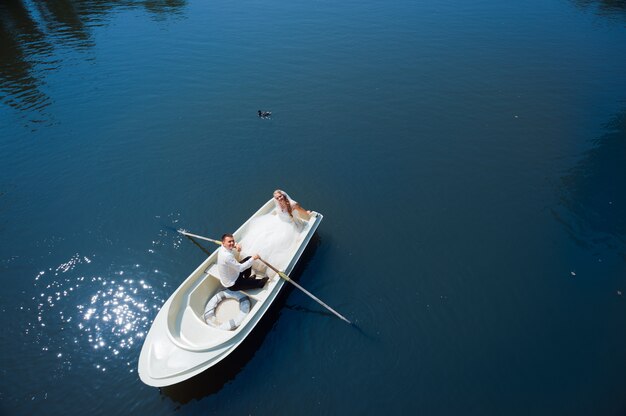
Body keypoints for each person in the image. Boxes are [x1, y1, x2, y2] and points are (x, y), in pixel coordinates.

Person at [239, 190, 315, 275]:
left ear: (284, 195)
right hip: (277, 221)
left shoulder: (293, 204)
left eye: (280, 196)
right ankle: (251, 261)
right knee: (263, 237)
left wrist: (307, 214)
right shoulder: (277, 203)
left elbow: (302, 211)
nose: (279, 198)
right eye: (277, 198)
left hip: (289, 226)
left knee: (278, 243)